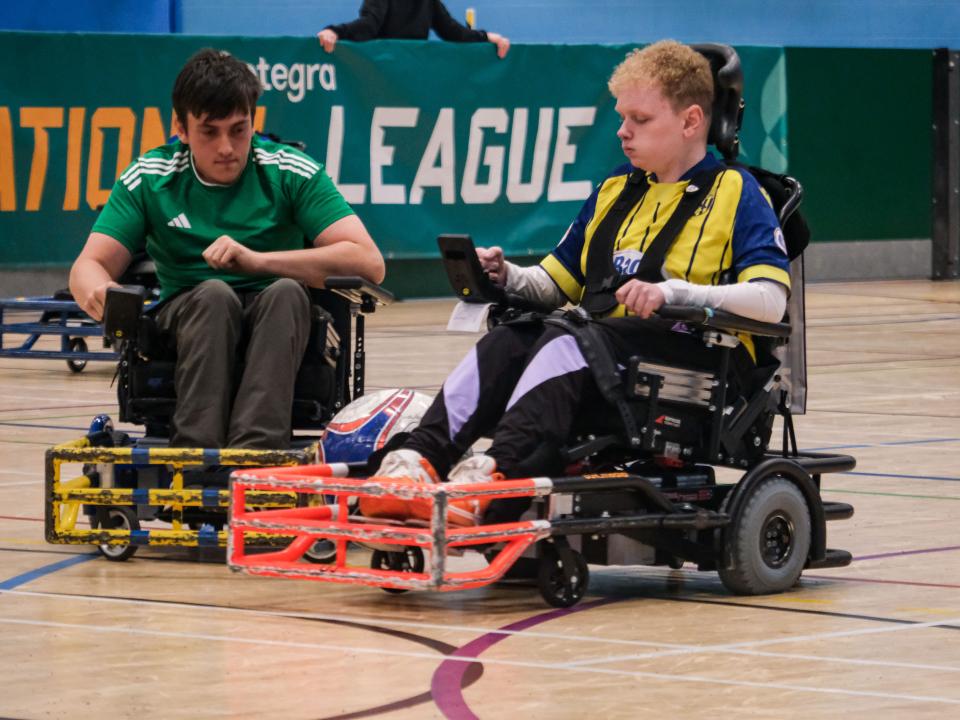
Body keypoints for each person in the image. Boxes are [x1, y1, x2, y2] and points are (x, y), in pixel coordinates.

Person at [362, 39, 791, 527]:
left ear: (691, 121)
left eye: (640, 119)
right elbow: (555, 282)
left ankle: (496, 477)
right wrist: (506, 276)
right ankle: (415, 463)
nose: (623, 131)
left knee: (569, 340)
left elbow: (770, 300)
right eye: (622, 117)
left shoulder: (739, 192)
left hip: (693, 368)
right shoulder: (615, 189)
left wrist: (673, 292)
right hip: (606, 359)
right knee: (510, 337)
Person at [70, 48, 385, 450]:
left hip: (279, 311)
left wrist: (259, 262)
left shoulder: (292, 171)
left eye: (239, 129)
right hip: (190, 310)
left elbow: (369, 262)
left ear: (254, 121)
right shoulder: (149, 177)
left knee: (287, 292)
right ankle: (196, 457)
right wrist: (100, 291)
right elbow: (89, 265)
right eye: (210, 131)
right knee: (215, 296)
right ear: (181, 128)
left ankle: (255, 455)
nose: (226, 147)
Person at [317, 0, 510, 58]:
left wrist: (486, 36)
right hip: (387, 77)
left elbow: (453, 31)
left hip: (408, 81)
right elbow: (369, 25)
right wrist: (335, 32)